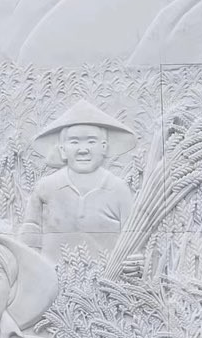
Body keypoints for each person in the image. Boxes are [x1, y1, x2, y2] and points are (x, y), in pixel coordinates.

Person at [22, 100, 136, 261]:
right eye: (74, 142)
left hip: (105, 273)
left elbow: (133, 238)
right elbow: (30, 232)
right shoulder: (46, 187)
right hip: (54, 272)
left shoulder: (119, 189)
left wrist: (134, 262)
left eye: (91, 141)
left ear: (104, 147)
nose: (83, 150)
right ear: (62, 149)